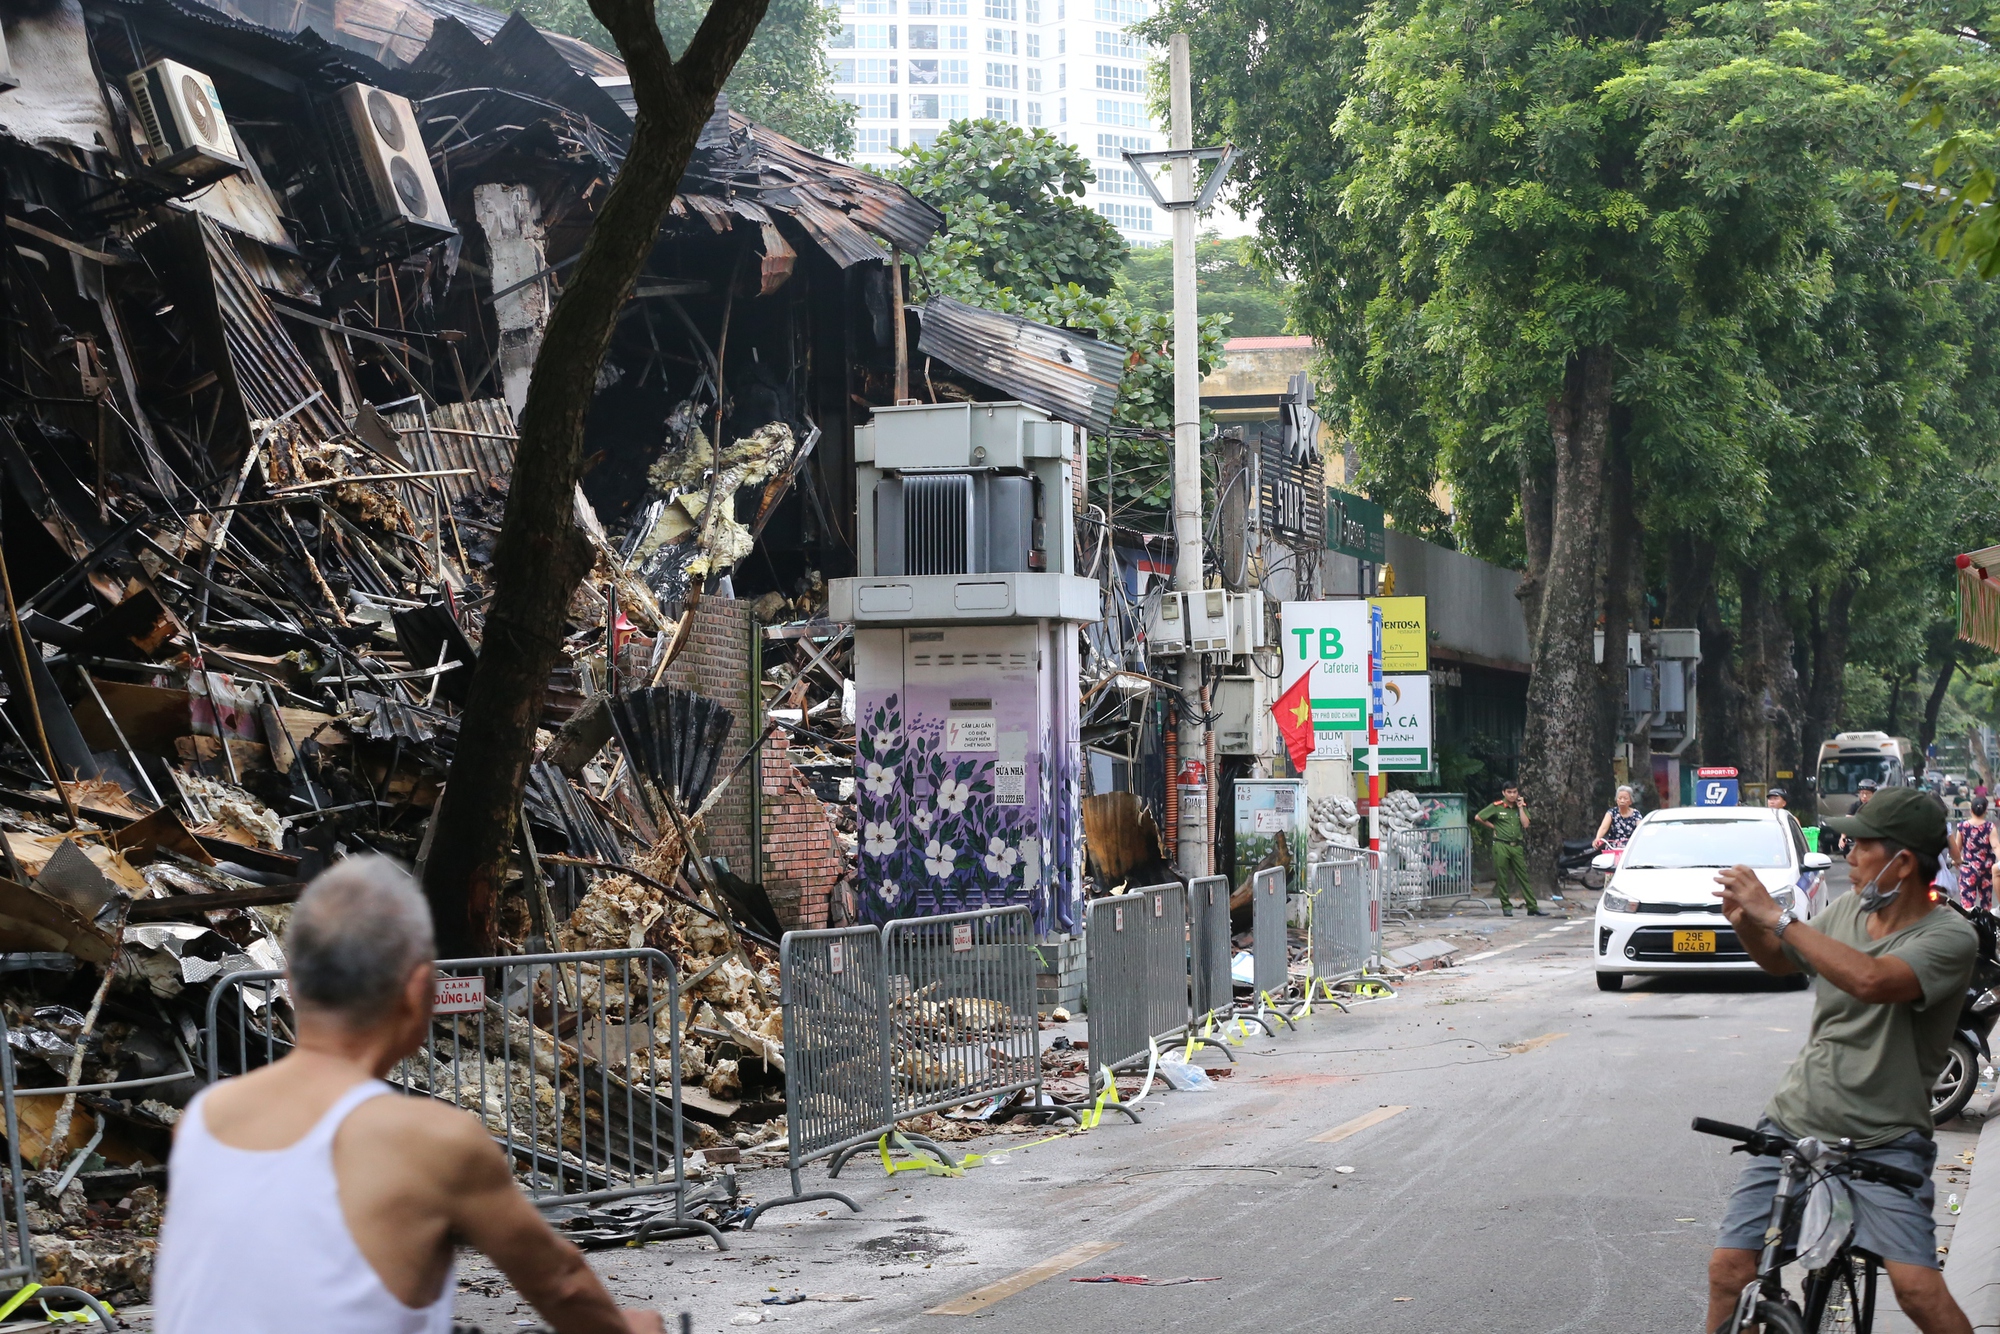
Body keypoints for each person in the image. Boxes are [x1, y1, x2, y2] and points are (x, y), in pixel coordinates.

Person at [154, 857, 662, 1334]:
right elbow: (563, 1283)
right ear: (420, 992)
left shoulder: (203, 1118)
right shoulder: (432, 1141)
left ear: (289, 983)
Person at [1705, 787, 1978, 1334]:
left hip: (1884, 1139)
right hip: (1795, 1121)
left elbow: (1874, 981)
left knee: (1918, 1290)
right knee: (1729, 1272)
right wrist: (1744, 922)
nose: (1846, 855)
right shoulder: (1848, 908)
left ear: (1900, 862)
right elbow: (1783, 962)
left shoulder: (1950, 935)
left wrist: (1777, 916)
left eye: (1860, 845)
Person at [1474, 781, 1541, 917]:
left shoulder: (1520, 807)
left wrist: (1521, 808)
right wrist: (1494, 827)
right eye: (1509, 792)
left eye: (1514, 792)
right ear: (1504, 793)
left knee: (1523, 877)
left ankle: (1532, 907)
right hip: (1501, 845)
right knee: (1502, 877)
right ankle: (1506, 906)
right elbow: (1478, 817)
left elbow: (1526, 824)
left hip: (1516, 846)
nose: (1512, 795)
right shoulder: (1497, 806)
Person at [1954, 796, 1993, 913]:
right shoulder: (1990, 827)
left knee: (1967, 905)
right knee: (1986, 904)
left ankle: (1969, 928)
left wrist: (1955, 860)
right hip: (1986, 870)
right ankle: (1986, 928)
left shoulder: (1962, 827)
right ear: (1986, 810)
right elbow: (1996, 846)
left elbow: (1957, 848)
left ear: (1971, 810)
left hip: (1968, 869)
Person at [1593, 784, 1641, 848]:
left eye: (1625, 798)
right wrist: (1598, 838)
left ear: (1630, 801)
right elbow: (1603, 828)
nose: (1622, 801)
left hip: (1630, 847)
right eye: (1620, 798)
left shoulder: (1636, 813)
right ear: (1616, 800)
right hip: (1614, 846)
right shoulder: (1611, 812)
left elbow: (1640, 828)